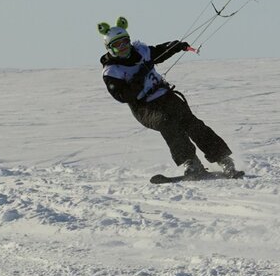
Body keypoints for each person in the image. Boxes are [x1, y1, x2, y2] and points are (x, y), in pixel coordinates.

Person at [98, 17, 237, 178]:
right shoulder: (112, 72)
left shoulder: (141, 51)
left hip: (166, 96)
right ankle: (191, 162)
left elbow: (160, 52)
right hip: (144, 108)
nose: (122, 47)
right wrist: (139, 77)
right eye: (116, 45)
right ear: (109, 48)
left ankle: (223, 159)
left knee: (191, 123)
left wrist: (177, 46)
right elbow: (122, 96)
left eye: (124, 42)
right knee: (167, 123)